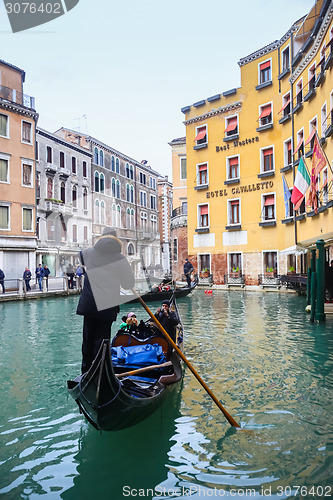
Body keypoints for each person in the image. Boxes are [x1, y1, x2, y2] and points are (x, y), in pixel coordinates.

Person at [77, 227, 135, 374]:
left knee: (88, 340)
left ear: (101, 237)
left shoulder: (88, 253)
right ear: (117, 240)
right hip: (107, 306)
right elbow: (128, 284)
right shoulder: (120, 258)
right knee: (102, 342)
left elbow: (81, 256)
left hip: (89, 304)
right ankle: (100, 373)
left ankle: (86, 372)